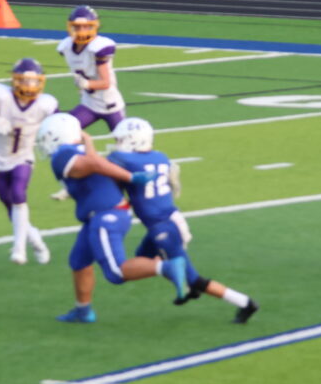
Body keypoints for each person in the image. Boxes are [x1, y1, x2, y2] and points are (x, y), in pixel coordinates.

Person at [35, 113, 190, 323]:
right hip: (105, 214)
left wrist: (131, 177)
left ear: (56, 136)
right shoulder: (78, 151)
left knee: (116, 272)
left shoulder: (63, 154)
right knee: (79, 261)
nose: (43, 143)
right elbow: (94, 165)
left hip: (105, 216)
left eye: (45, 137)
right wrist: (89, 143)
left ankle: (167, 267)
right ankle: (83, 310)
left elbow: (94, 165)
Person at [106, 117, 259, 324]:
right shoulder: (160, 156)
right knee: (142, 260)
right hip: (169, 221)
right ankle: (187, 285)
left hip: (164, 229)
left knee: (192, 277)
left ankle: (245, 303)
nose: (117, 143)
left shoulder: (124, 159)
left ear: (133, 139)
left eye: (120, 139)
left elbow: (103, 169)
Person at [0, 58, 58, 265]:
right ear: (15, 81)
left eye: (33, 81)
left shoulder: (46, 104)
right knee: (10, 207)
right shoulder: (1, 96)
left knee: (18, 194)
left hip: (23, 157)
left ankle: (19, 250)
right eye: (24, 80)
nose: (29, 86)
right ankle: (35, 238)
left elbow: (58, 125)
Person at [51, 5, 126, 201]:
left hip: (110, 105)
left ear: (94, 27)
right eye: (77, 27)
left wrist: (86, 83)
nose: (81, 31)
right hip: (89, 105)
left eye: (86, 27)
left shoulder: (99, 47)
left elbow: (105, 82)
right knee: (63, 137)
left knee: (128, 149)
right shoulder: (66, 47)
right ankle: (70, 185)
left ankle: (157, 176)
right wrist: (84, 86)